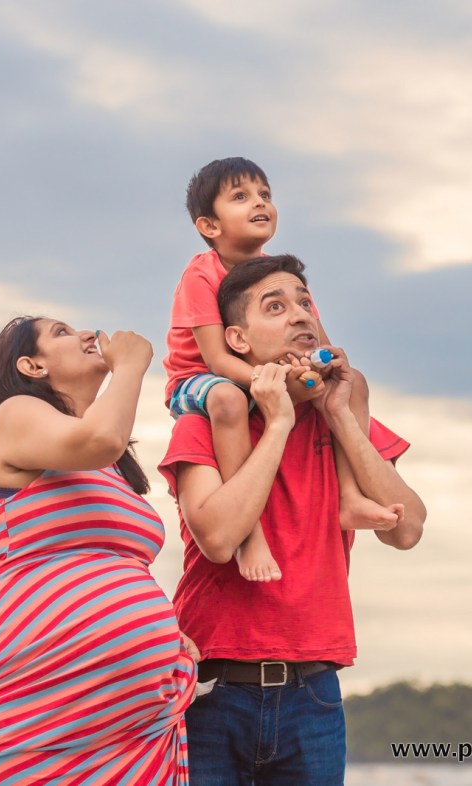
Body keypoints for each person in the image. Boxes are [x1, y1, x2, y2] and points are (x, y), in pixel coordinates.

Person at [159, 255, 427, 785]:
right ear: (237, 339)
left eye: (305, 302)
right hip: (212, 690)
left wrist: (340, 416)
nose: (300, 315)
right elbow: (216, 539)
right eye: (275, 307)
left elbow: (407, 529)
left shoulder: (343, 415)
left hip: (314, 692)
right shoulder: (204, 423)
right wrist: (279, 422)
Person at [0, 316, 197, 785]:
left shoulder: (110, 467)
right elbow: (100, 438)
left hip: (136, 723)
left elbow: (114, 564)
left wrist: (163, 634)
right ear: (31, 365)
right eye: (61, 333)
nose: (87, 334)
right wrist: (130, 367)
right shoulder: (14, 414)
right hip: (45, 706)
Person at [163, 157, 397, 584]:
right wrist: (269, 381)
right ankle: (251, 534)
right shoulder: (201, 274)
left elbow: (320, 343)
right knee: (228, 398)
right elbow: (216, 358)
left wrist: (323, 367)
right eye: (240, 196)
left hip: (262, 372)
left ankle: (350, 495)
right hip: (200, 380)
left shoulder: (280, 275)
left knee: (354, 381)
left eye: (265, 195)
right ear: (210, 226)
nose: (260, 203)